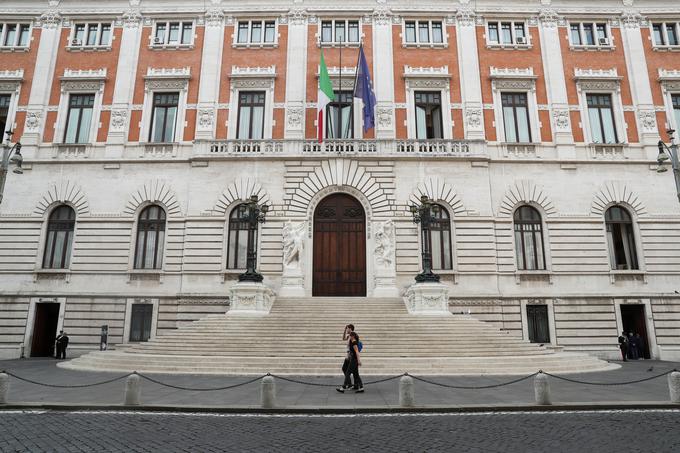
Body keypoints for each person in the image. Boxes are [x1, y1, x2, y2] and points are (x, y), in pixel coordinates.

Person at [338, 324, 354, 392]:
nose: (347, 329)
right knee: (345, 369)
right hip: (348, 355)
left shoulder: (352, 336)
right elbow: (343, 338)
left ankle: (347, 385)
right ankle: (350, 384)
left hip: (350, 356)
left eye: (347, 328)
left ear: (350, 329)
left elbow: (354, 345)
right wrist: (344, 330)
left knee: (346, 370)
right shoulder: (348, 336)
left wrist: (350, 354)